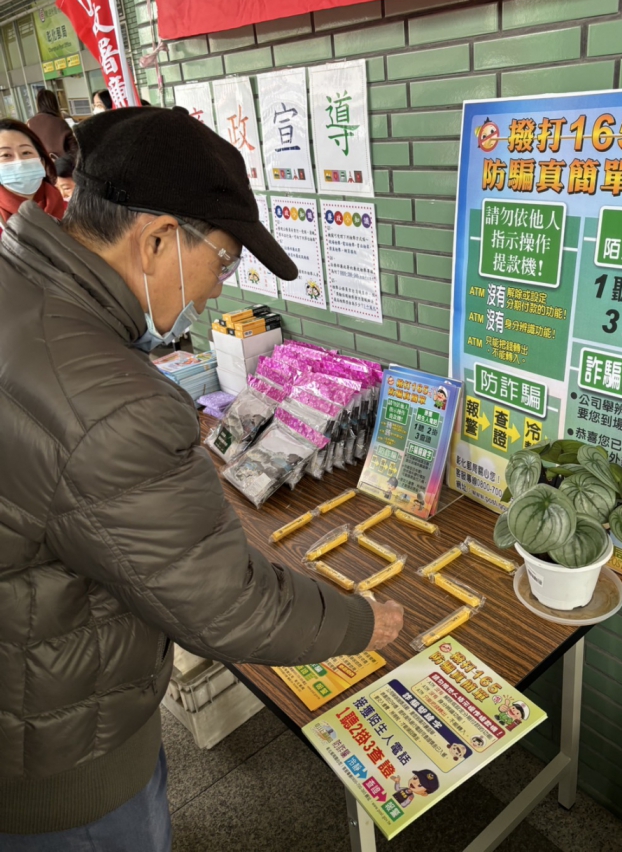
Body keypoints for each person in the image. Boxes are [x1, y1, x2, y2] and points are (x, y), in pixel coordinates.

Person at [0, 107, 403, 849]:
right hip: (61, 768)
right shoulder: (111, 401)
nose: (217, 291)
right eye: (222, 262)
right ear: (156, 239)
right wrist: (361, 624)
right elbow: (224, 603)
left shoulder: (18, 283)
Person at [0, 119, 64, 230]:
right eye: (6, 155)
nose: (20, 162)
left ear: (42, 162)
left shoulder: (72, 210)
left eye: (26, 152)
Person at [27, 88, 75, 160]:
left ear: (38, 105)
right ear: (55, 104)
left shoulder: (30, 123)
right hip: (61, 164)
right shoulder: (60, 122)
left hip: (40, 163)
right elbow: (74, 149)